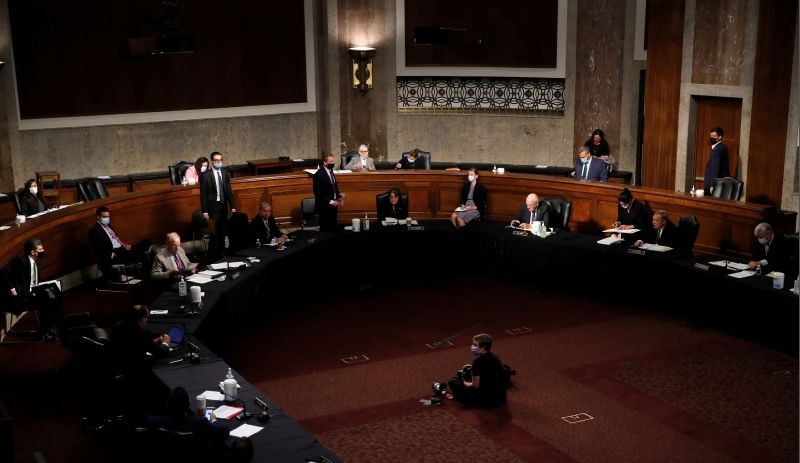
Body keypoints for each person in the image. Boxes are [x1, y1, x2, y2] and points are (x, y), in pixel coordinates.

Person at [3, 238, 62, 341]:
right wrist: (12, 289)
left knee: (54, 296)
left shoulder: (36, 262)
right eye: (40, 249)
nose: (43, 251)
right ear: (33, 252)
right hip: (21, 298)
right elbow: (4, 272)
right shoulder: (21, 261)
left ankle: (48, 329)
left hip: (32, 293)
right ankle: (43, 332)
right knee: (46, 302)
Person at [88, 206, 151, 285]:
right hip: (114, 253)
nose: (107, 219)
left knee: (147, 242)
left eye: (108, 216)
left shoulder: (109, 226)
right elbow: (97, 249)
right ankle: (150, 276)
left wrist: (124, 245)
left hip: (122, 248)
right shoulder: (94, 231)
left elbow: (115, 239)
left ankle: (138, 254)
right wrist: (112, 254)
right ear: (98, 217)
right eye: (104, 217)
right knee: (140, 253)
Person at [146, 386, 230, 444]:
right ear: (188, 404)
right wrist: (214, 420)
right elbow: (224, 431)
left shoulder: (153, 421)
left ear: (167, 404)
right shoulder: (199, 421)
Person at [447, 333, 507, 408]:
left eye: (475, 345)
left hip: (484, 400)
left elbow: (475, 386)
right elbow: (488, 369)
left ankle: (458, 396)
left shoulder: (477, 362)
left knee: (453, 381)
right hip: (500, 398)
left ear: (483, 347)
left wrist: (463, 381)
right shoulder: (496, 358)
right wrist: (473, 368)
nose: (472, 347)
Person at [110, 304, 171, 373]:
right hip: (133, 368)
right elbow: (158, 352)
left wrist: (153, 342)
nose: (147, 319)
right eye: (147, 317)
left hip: (116, 364)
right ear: (143, 318)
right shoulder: (143, 332)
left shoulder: (118, 325)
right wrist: (165, 343)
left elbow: (134, 344)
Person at [200, 151, 237, 253]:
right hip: (212, 208)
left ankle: (222, 253)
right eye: (216, 160)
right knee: (214, 233)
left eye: (220, 160)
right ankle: (212, 255)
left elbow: (229, 191)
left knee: (222, 232)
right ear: (212, 161)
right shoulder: (206, 175)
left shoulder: (225, 173)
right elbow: (203, 194)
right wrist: (204, 211)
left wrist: (233, 207)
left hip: (223, 206)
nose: (218, 162)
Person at [313, 154, 344, 232]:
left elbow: (334, 187)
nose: (333, 163)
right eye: (331, 161)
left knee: (333, 228)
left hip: (333, 206)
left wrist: (339, 196)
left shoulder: (331, 171)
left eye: (333, 161)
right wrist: (332, 202)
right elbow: (318, 193)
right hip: (324, 207)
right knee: (325, 230)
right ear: (325, 162)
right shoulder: (319, 175)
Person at [703, 127, 730, 195]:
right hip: (719, 183)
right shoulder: (722, 147)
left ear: (720, 137)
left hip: (714, 185)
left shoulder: (718, 149)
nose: (712, 138)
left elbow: (716, 168)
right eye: (711, 136)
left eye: (714, 136)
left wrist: (713, 185)